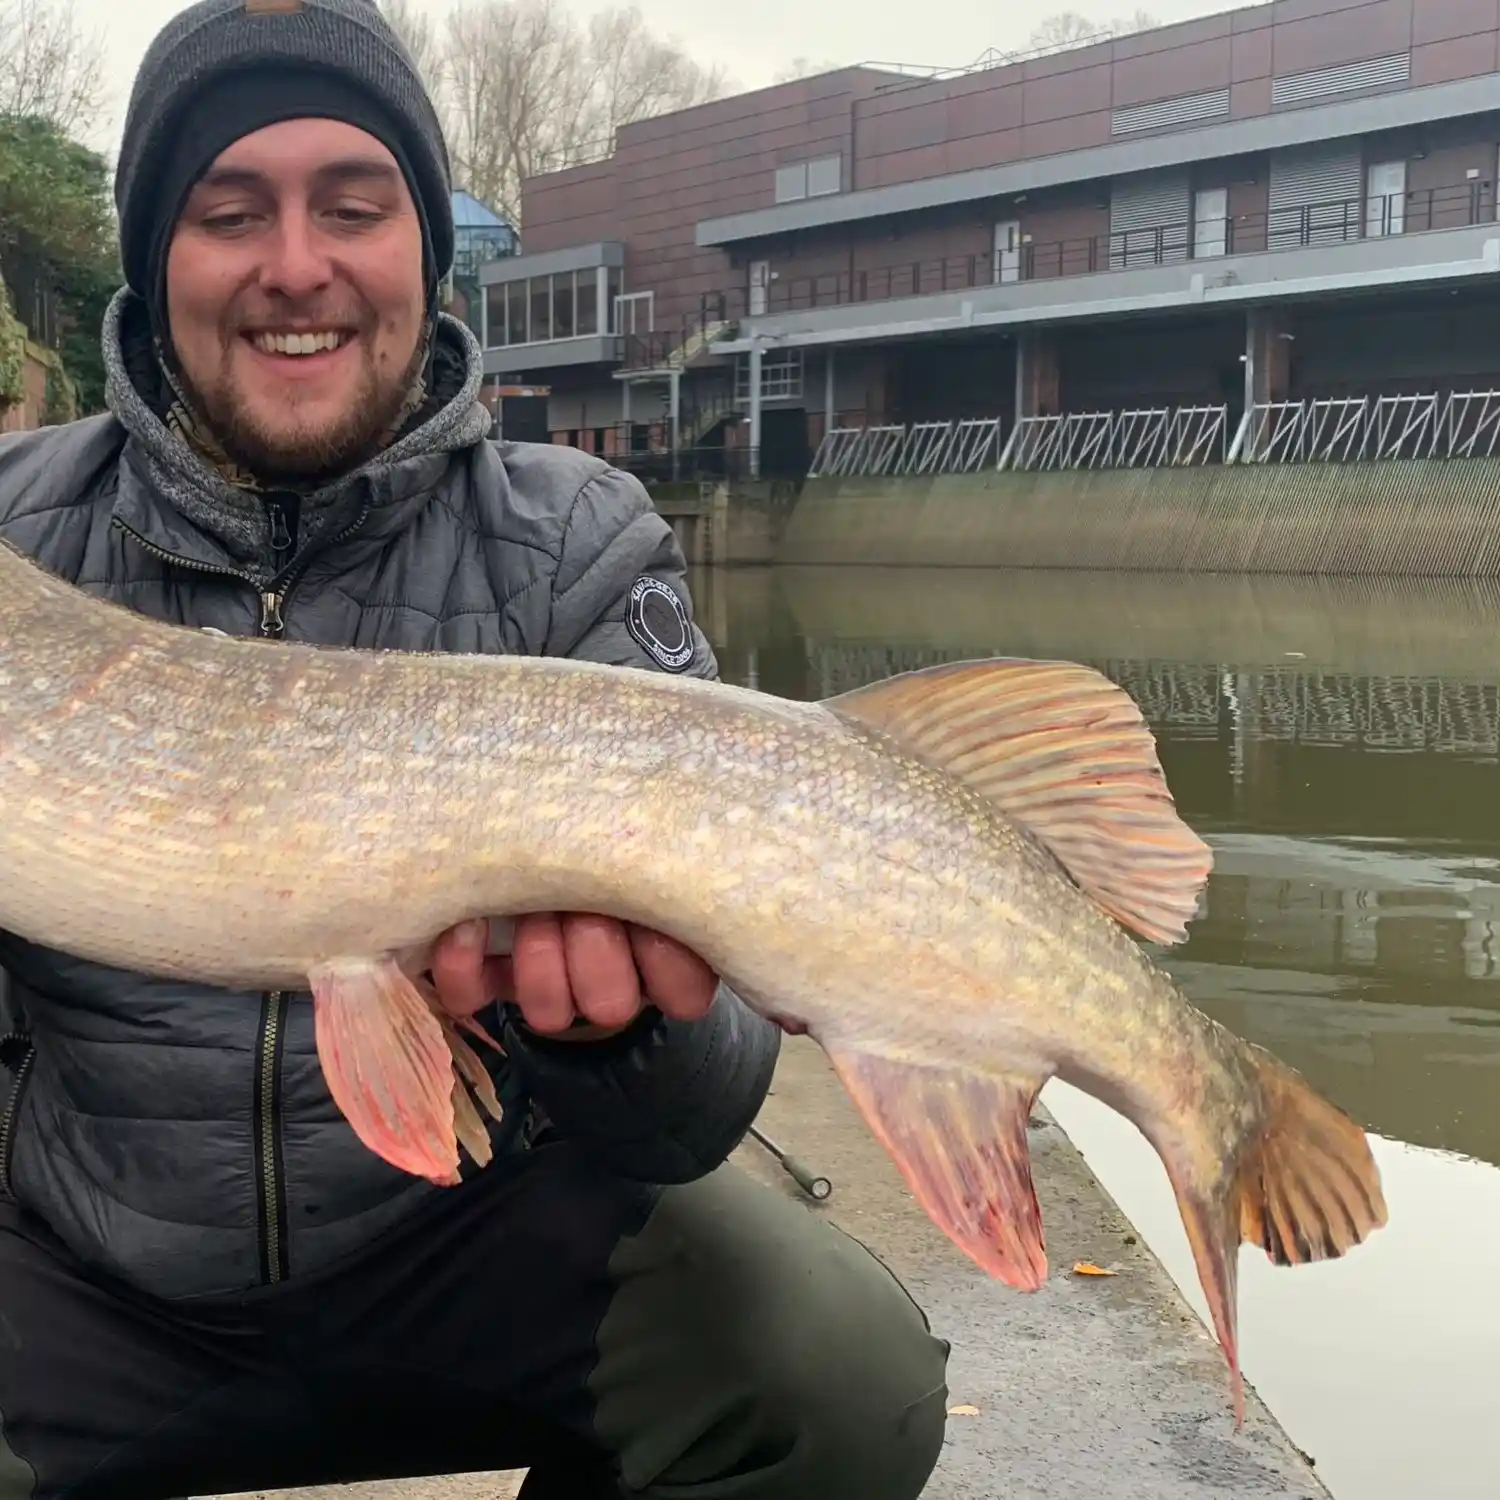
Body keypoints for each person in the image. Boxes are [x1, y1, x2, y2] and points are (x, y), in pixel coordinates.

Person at [0, 2, 950, 1498]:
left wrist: (619, 1037)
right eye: (229, 212)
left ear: (423, 253)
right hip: (94, 1265)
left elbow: (697, 1118)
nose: (296, 265)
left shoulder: (577, 538)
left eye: (354, 207)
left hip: (468, 1247)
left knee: (837, 1379)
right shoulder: (15, 534)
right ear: (153, 260)